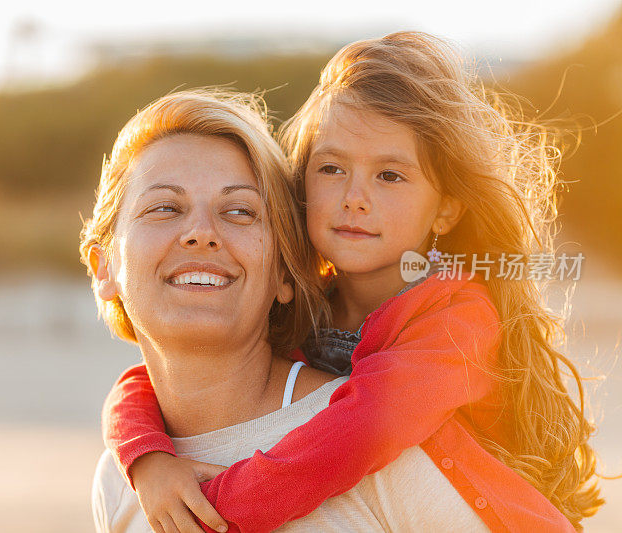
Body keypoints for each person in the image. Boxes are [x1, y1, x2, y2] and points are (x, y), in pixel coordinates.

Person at [100, 33, 604, 532]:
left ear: (447, 207)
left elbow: (360, 431)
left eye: (389, 176)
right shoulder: (310, 297)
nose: (354, 198)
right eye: (332, 168)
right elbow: (161, 377)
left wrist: (220, 512)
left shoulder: (458, 320)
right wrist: (145, 459)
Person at [83, 89, 496, 532]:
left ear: (285, 272)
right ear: (103, 267)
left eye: (240, 211)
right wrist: (142, 456)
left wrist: (224, 511)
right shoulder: (119, 480)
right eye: (165, 207)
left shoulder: (386, 450)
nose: (201, 233)